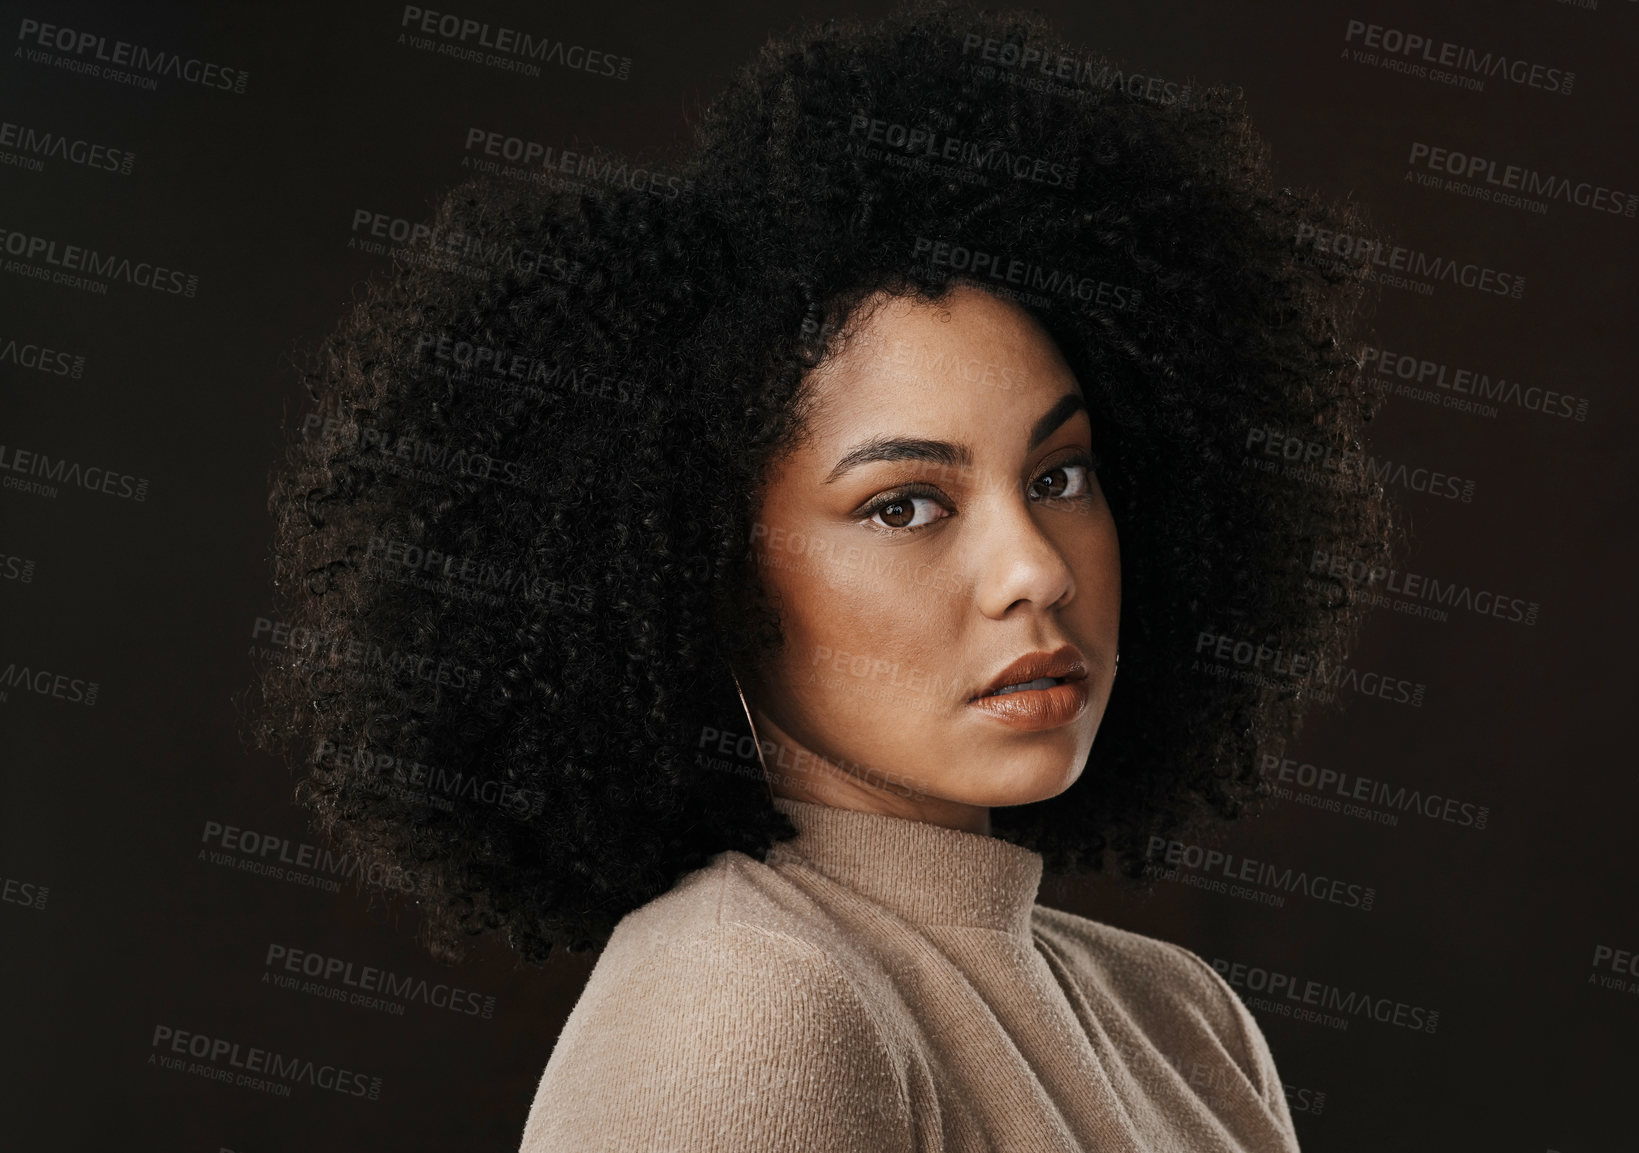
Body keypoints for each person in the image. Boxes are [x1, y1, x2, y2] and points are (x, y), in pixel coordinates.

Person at [254, 2, 1400, 1149]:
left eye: (1057, 476)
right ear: (701, 577)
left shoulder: (1181, 1017)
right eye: (902, 504)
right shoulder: (748, 1011)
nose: (1032, 570)